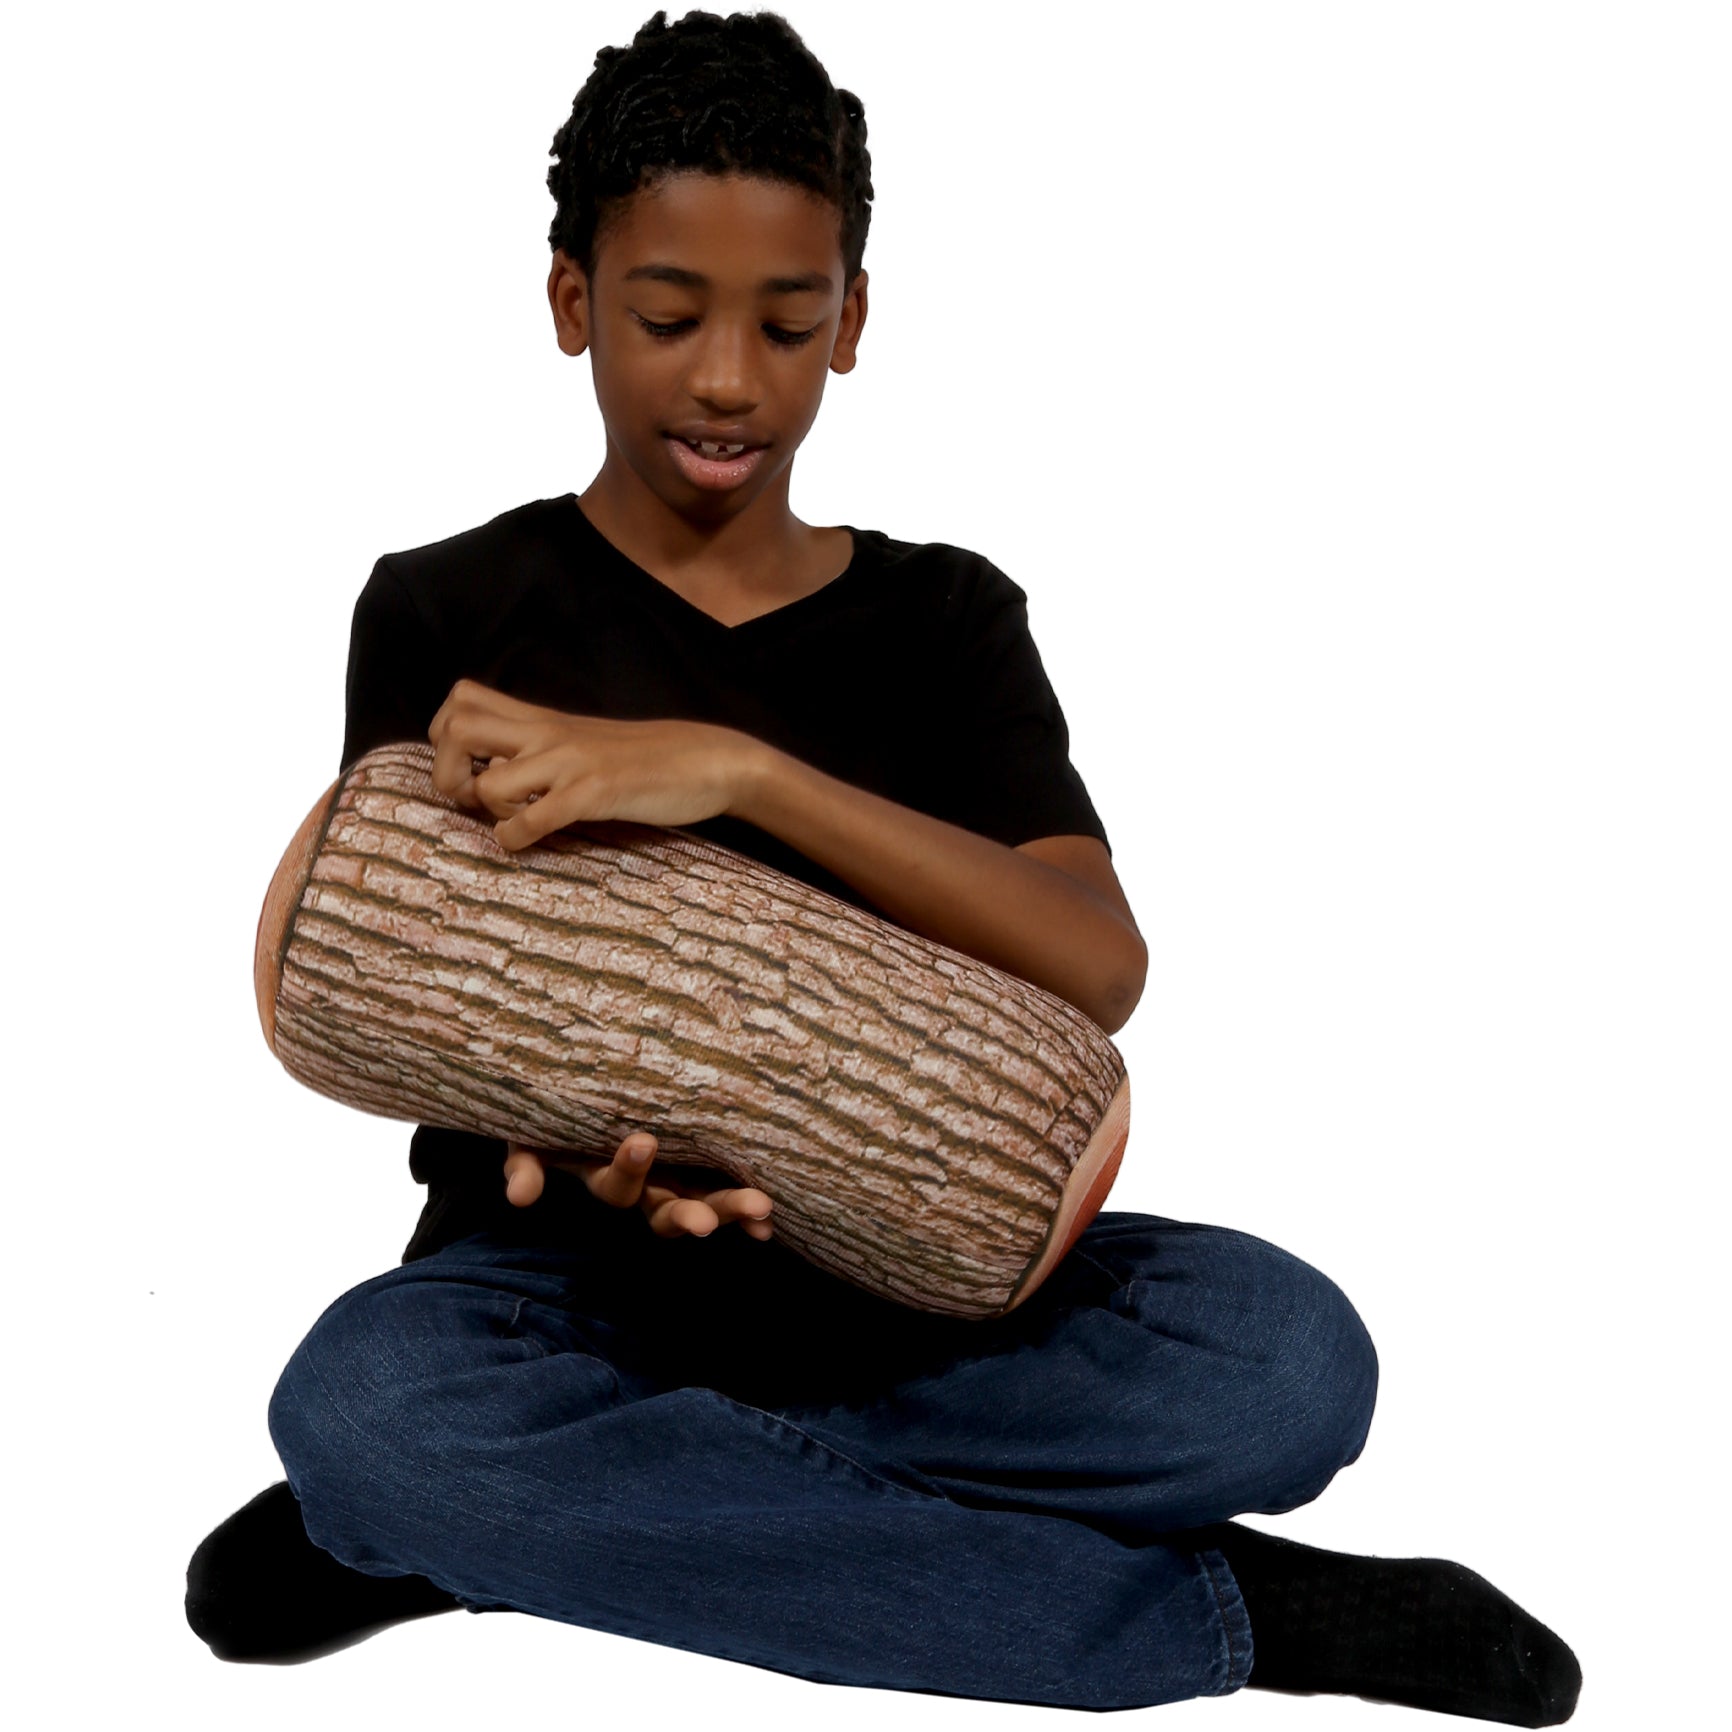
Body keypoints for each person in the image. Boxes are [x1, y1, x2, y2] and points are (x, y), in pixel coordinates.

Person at [185, 10, 1580, 1723]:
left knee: (1293, 1367)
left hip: (909, 1291)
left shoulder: (943, 621)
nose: (725, 377)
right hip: (557, 1292)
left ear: (851, 323)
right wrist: (589, 1155)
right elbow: (413, 985)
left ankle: (497, 1530)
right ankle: (1225, 1621)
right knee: (370, 1406)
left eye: (785, 320)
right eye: (667, 313)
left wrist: (743, 775)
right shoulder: (448, 605)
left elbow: (1096, 964)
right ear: (570, 305)